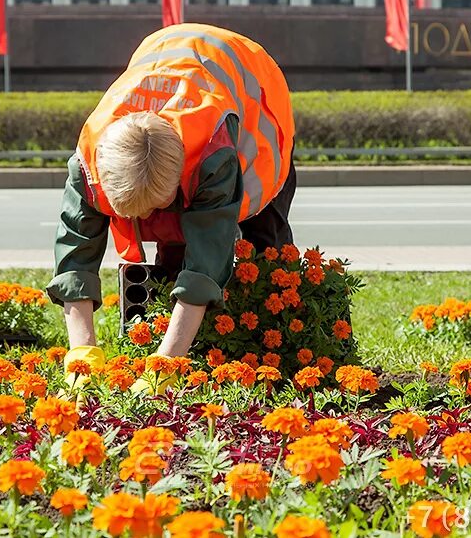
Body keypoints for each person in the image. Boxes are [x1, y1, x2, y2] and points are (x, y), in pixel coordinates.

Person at [47, 23, 296, 382]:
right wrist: (81, 352)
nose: (148, 218)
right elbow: (75, 254)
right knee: (174, 253)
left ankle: (273, 353)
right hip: (172, 65)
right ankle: (197, 341)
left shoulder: (211, 154)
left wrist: (166, 363)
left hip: (254, 90)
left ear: (182, 178)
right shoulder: (91, 162)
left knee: (266, 248)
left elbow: (206, 260)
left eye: (157, 206)